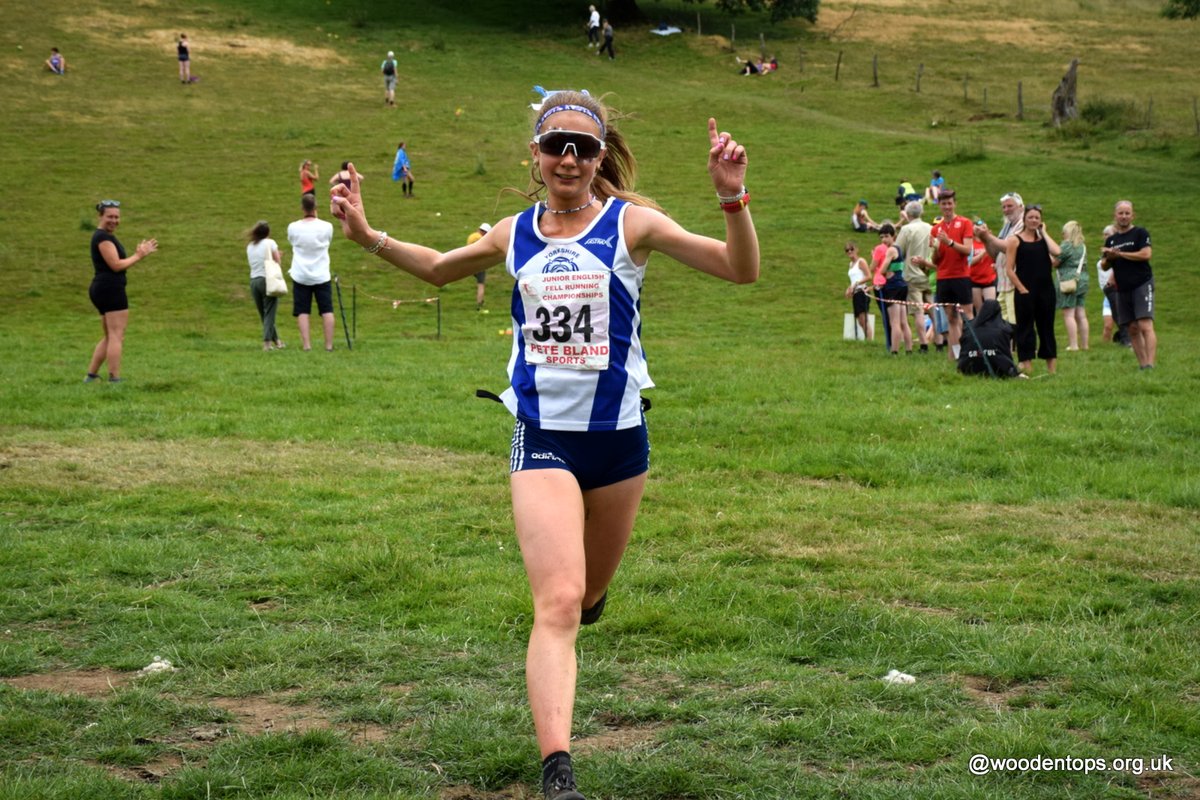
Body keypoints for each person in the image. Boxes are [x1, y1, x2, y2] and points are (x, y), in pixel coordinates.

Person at [329, 91, 759, 800]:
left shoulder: (633, 224)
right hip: (542, 438)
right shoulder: (512, 233)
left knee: (588, 594)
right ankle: (558, 773)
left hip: (620, 441)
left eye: (583, 147)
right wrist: (368, 236)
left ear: (599, 158)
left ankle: (589, 600)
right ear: (535, 153)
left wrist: (732, 199)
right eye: (556, 143)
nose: (568, 157)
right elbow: (440, 267)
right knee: (557, 603)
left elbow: (739, 270)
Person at [85, 200, 158, 383]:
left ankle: (91, 376)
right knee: (117, 335)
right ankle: (114, 378)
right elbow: (116, 265)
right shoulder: (103, 238)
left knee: (110, 335)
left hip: (103, 288)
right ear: (100, 216)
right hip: (110, 288)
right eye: (110, 216)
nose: (114, 220)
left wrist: (137, 255)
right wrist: (140, 255)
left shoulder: (103, 236)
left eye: (117, 217)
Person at [914, 189, 974, 362]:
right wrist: (937, 249)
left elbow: (967, 250)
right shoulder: (935, 229)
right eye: (943, 204)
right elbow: (936, 260)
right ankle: (954, 355)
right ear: (939, 205)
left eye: (949, 203)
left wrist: (949, 242)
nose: (947, 207)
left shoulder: (964, 223)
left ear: (954, 203)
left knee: (967, 316)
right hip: (943, 278)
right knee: (951, 318)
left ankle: (970, 352)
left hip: (961, 275)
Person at [1004, 204, 1060, 376]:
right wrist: (1021, 289)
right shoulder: (1015, 240)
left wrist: (1044, 233)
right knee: (1025, 328)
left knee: (1046, 328)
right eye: (1031, 217)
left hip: (1046, 291)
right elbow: (1009, 269)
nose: (1034, 220)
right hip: (1024, 291)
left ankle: (1051, 369)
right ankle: (1027, 366)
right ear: (1024, 219)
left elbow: (1057, 251)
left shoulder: (1043, 240)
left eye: (1037, 218)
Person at [1102, 200, 1156, 369]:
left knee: (1145, 324)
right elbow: (1104, 265)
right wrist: (1110, 257)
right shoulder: (1111, 240)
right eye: (1121, 213)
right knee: (1132, 328)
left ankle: (1150, 364)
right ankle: (1142, 365)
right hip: (1122, 288)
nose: (1124, 216)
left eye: (1127, 213)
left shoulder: (1140, 233)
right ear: (1115, 216)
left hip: (1142, 283)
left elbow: (1146, 254)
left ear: (1133, 215)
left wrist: (1121, 255)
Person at [287, 194, 335, 352]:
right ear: (316, 208)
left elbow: (292, 241)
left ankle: (307, 345)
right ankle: (328, 346)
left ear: (302, 208)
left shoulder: (293, 227)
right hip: (321, 274)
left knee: (302, 310)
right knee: (327, 310)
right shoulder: (327, 226)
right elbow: (328, 240)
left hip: (301, 274)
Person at [975, 192, 1023, 324]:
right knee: (1005, 324)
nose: (1006, 210)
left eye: (1010, 206)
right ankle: (1008, 345)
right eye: (1004, 207)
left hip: (1016, 282)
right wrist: (985, 239)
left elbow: (1009, 247)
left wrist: (989, 237)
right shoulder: (1007, 226)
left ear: (1020, 207)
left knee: (1015, 323)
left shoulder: (1023, 224)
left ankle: (1017, 345)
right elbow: (995, 255)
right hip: (1003, 283)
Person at [894, 200, 932, 352]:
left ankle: (923, 343)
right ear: (921, 213)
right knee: (933, 308)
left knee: (918, 311)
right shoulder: (930, 227)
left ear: (908, 214)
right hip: (929, 273)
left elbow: (898, 250)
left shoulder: (906, 229)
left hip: (912, 275)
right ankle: (940, 339)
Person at [872, 223, 912, 355]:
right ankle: (909, 349)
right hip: (902, 285)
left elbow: (882, 269)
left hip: (893, 287)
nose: (884, 240)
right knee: (903, 321)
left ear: (893, 236)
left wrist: (884, 271)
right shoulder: (899, 249)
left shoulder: (890, 250)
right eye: (881, 237)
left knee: (894, 322)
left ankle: (894, 351)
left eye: (886, 236)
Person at [246, 220, 285, 352]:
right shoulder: (270, 243)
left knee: (264, 313)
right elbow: (277, 262)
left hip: (254, 281)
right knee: (270, 312)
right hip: (267, 280)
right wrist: (279, 256)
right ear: (267, 232)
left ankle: (277, 341)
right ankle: (267, 344)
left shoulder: (250, 246)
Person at [1055, 220, 1090, 351]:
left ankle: (1074, 345)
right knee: (1081, 314)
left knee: (1069, 314)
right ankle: (1085, 345)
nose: (1062, 234)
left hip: (1068, 281)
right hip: (1082, 280)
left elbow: (1055, 262)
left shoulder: (1067, 245)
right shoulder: (1082, 246)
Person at [1095, 224, 1129, 347]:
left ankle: (1128, 342)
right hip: (1107, 294)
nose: (1105, 237)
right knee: (1108, 325)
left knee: (1121, 322)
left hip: (1116, 291)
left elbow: (1120, 267)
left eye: (1108, 234)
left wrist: (1111, 279)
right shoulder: (1106, 252)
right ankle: (1105, 348)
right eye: (1104, 234)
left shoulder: (1118, 251)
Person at [844, 241, 872, 340]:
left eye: (852, 249)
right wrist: (850, 288)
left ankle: (869, 340)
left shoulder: (861, 261)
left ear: (856, 249)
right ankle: (867, 339)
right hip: (856, 292)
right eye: (847, 250)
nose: (850, 251)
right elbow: (854, 279)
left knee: (863, 319)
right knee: (860, 320)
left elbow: (869, 276)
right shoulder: (851, 264)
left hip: (862, 291)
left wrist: (857, 284)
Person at [968, 236, 998, 314]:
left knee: (991, 307)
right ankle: (980, 325)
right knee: (979, 309)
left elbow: (996, 257)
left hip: (989, 279)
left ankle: (991, 325)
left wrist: (996, 265)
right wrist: (982, 253)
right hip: (974, 280)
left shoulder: (990, 244)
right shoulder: (971, 244)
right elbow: (969, 262)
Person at [467, 223, 493, 311]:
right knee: (481, 284)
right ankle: (480, 304)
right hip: (479, 263)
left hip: (469, 262)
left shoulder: (471, 236)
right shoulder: (481, 239)